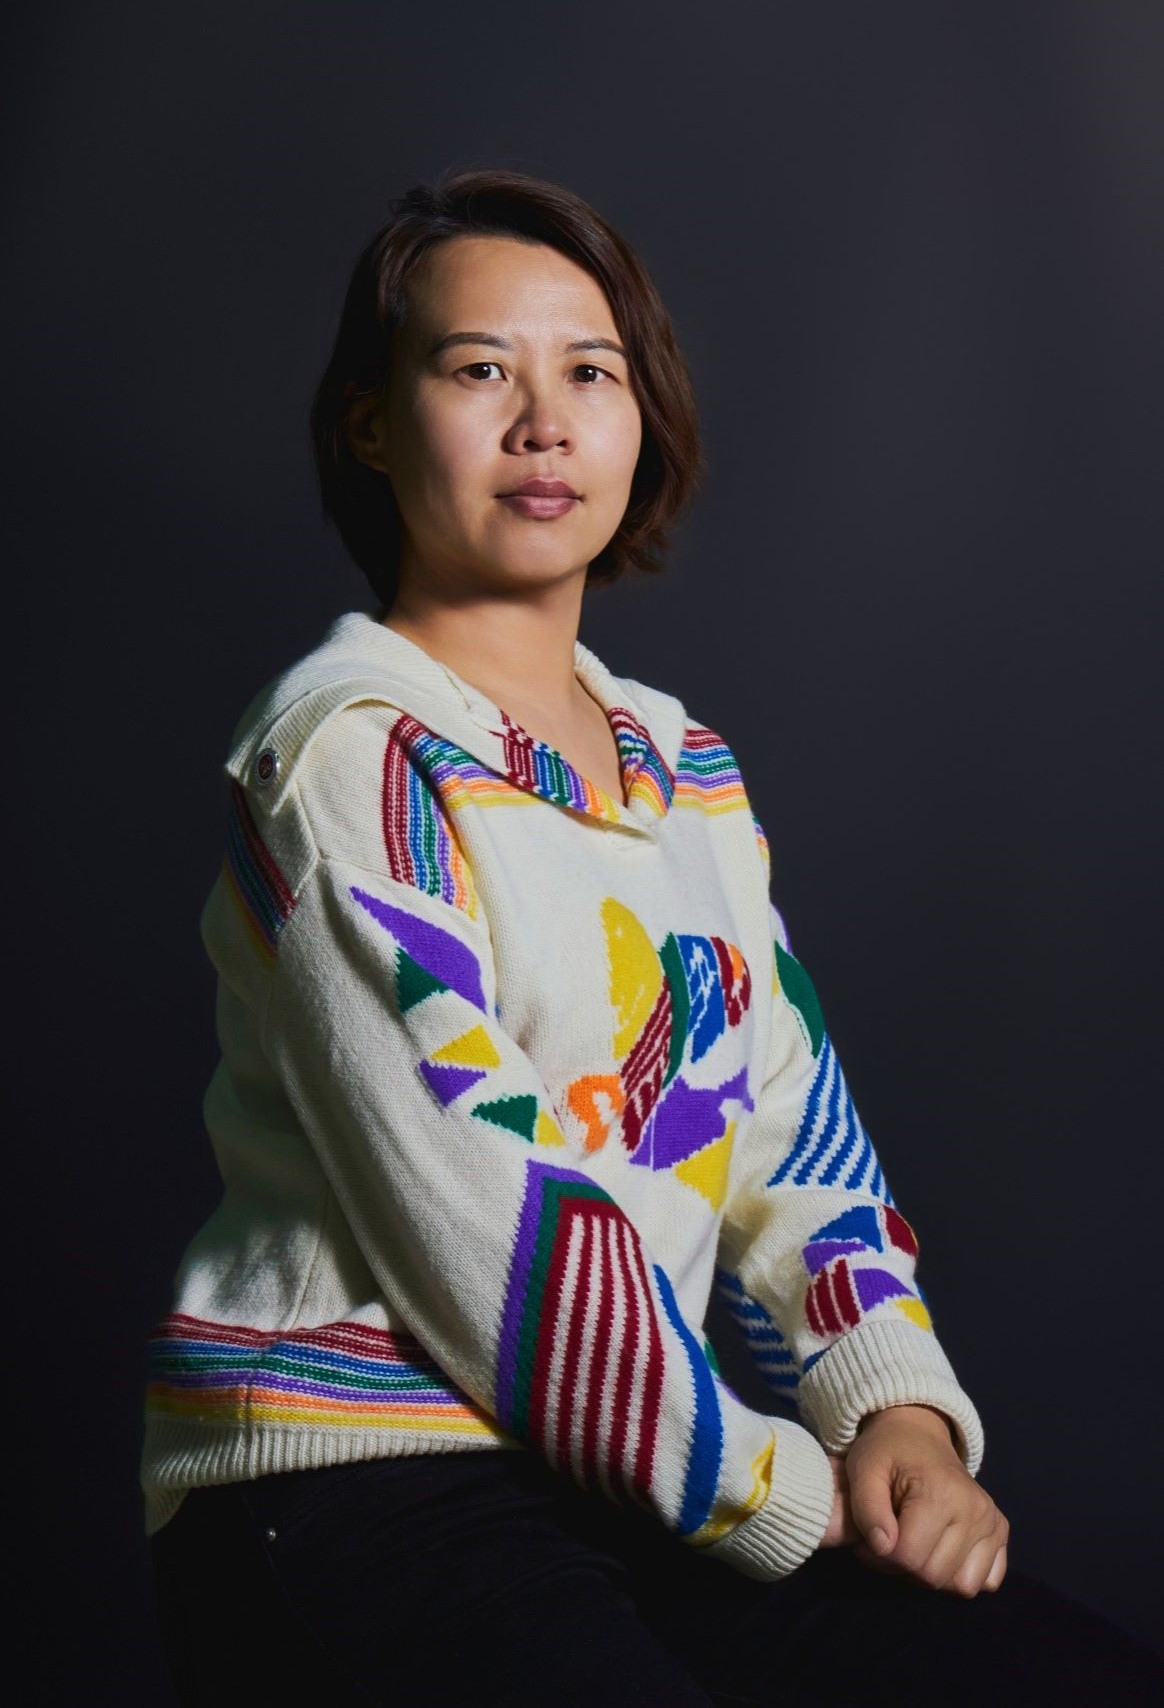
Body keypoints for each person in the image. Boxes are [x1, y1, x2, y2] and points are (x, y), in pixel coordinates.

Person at [143, 168, 1162, 1705]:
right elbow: (491, 1227)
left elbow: (789, 1126)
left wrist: (893, 1410)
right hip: (353, 1481)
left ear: (643, 416)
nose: (543, 423)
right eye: (478, 368)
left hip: (629, 1475)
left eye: (591, 372)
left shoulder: (684, 770)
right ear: (371, 423)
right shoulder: (351, 749)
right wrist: (782, 1487)